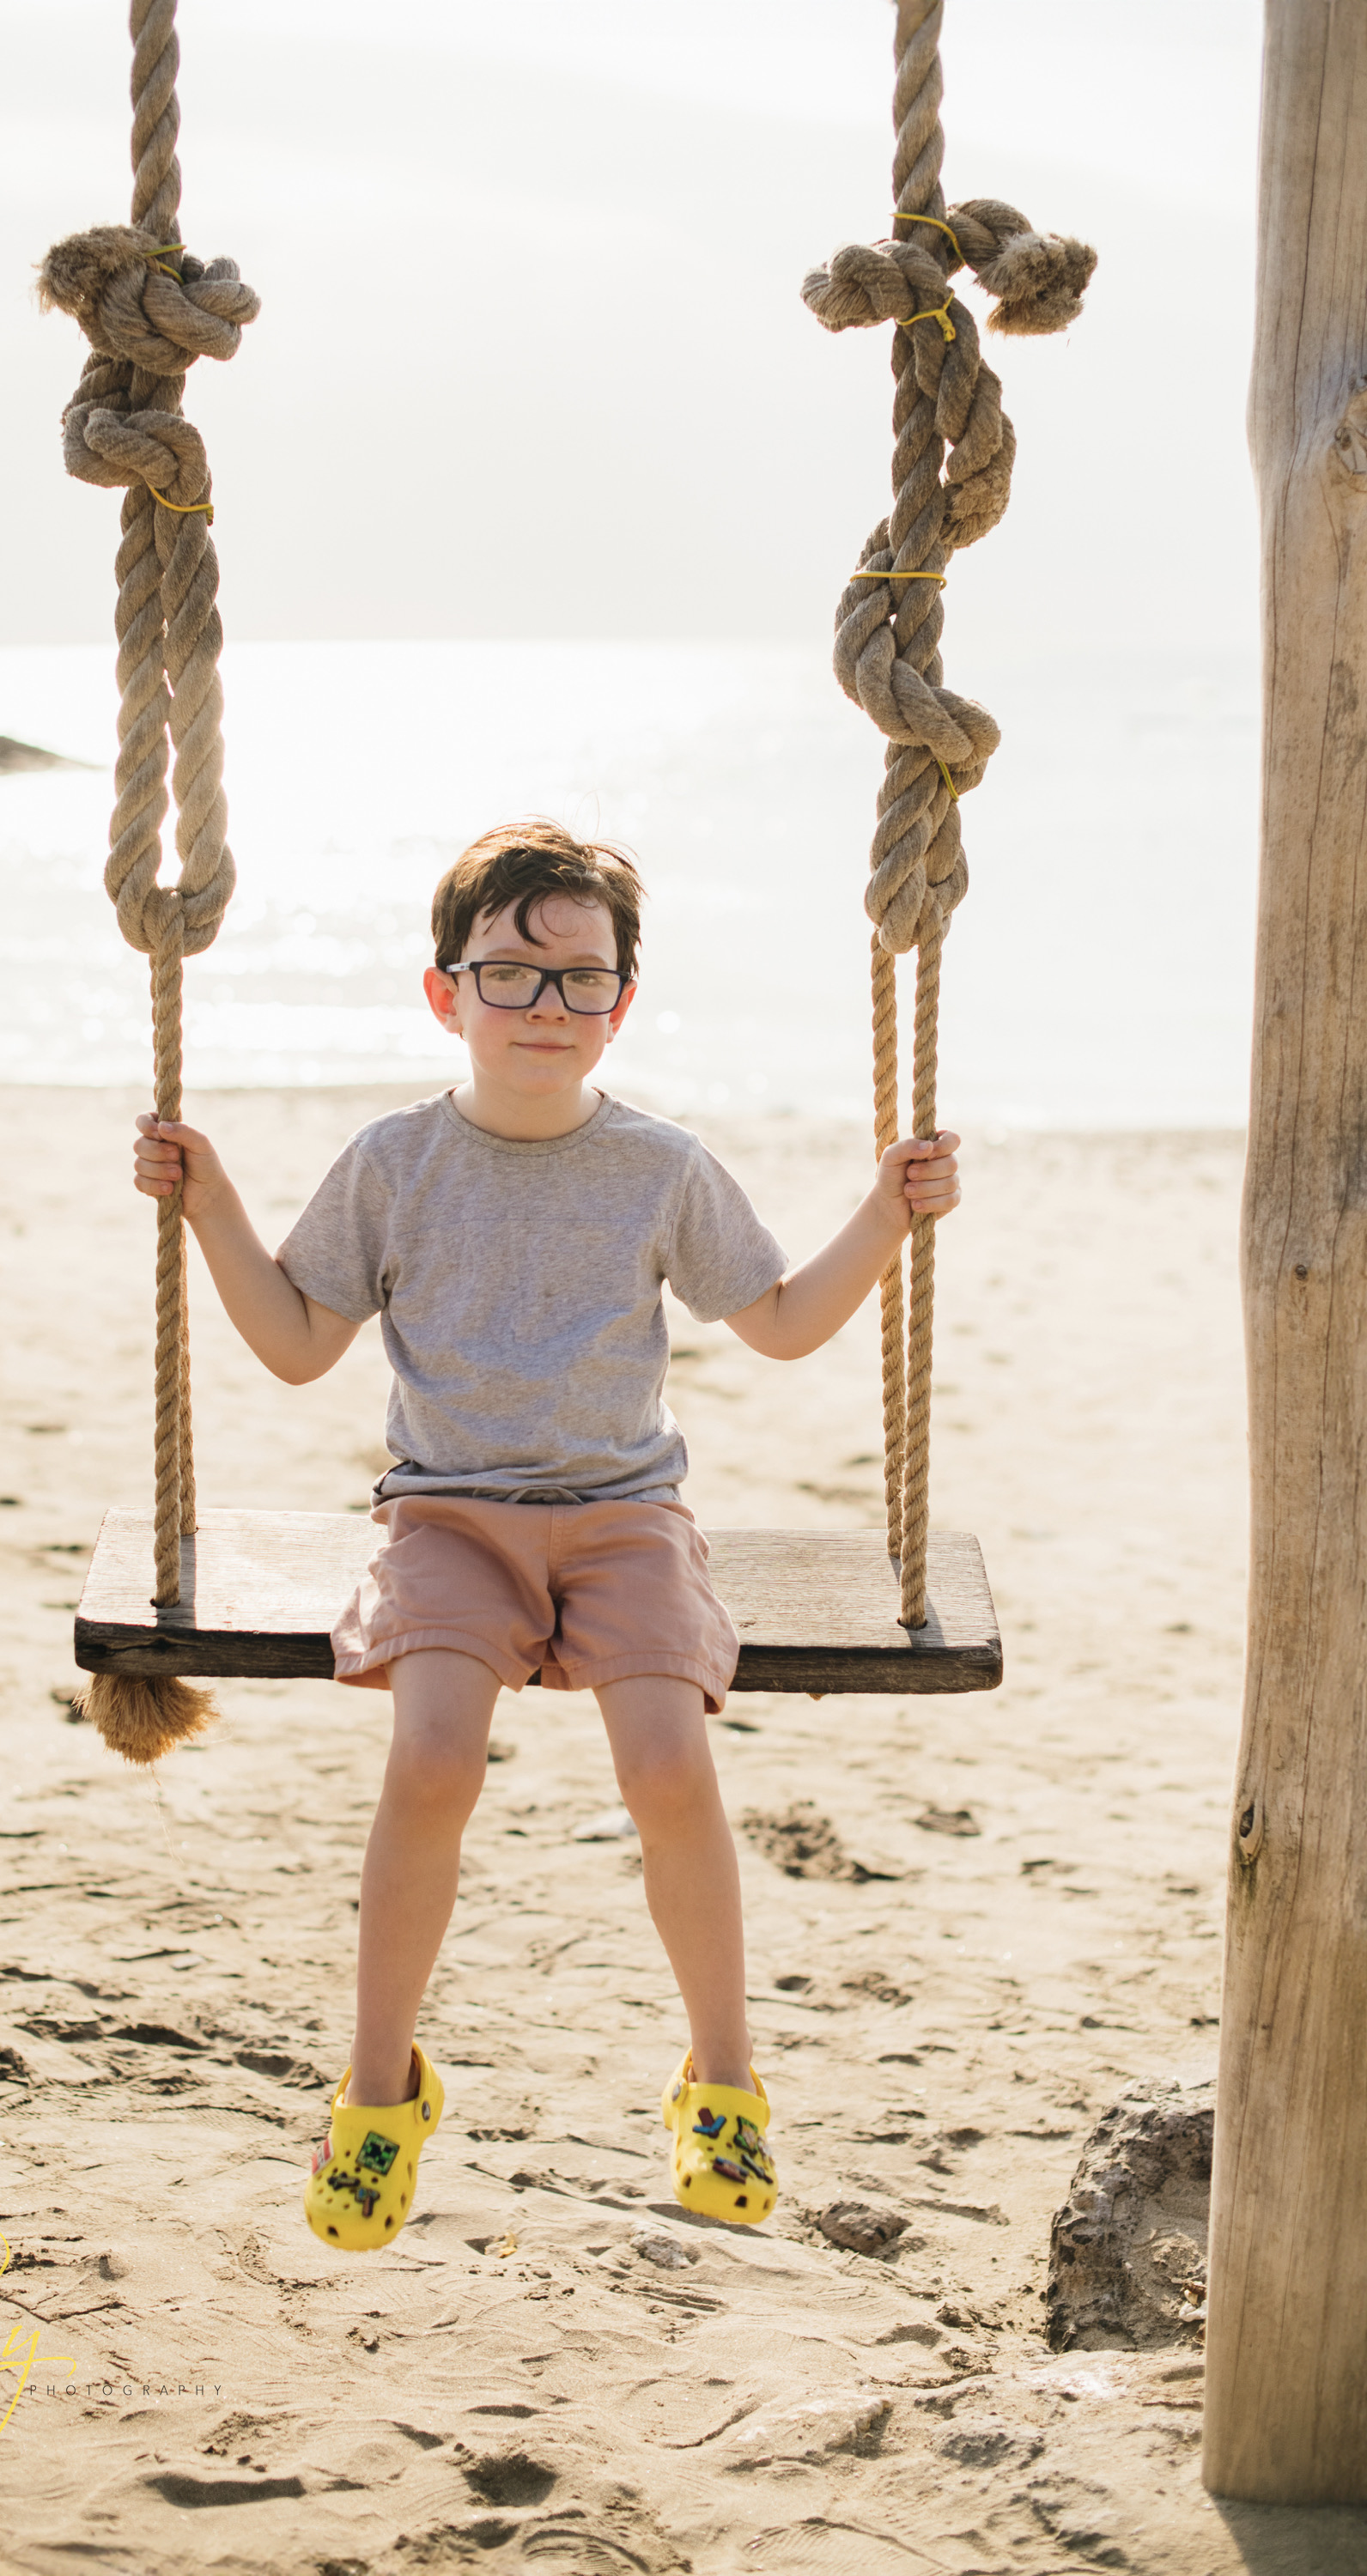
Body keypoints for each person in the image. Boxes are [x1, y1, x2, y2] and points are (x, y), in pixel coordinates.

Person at [131, 819, 962, 2252]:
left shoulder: (659, 1166)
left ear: (621, 1003)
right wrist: (212, 1208)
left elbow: (779, 1324)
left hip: (625, 1520)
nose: (546, 1006)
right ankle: (379, 2090)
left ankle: (722, 2080)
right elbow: (298, 1344)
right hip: (448, 1518)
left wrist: (888, 1213)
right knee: (433, 1757)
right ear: (445, 993)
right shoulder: (394, 1163)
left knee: (668, 1765)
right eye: (510, 975)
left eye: (582, 979)